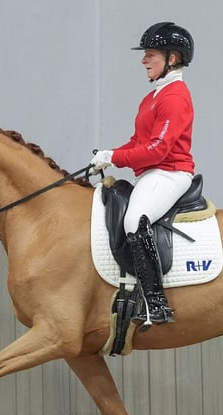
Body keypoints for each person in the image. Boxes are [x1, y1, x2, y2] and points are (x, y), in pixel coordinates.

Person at [91, 21, 195, 327]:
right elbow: (139, 143)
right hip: (153, 174)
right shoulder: (153, 97)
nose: (144, 60)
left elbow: (158, 150)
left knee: (135, 221)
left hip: (170, 172)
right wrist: (108, 156)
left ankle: (157, 303)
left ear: (172, 58)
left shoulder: (174, 96)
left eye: (150, 54)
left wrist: (115, 157)